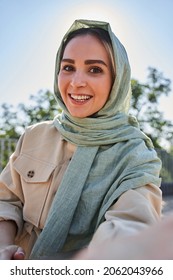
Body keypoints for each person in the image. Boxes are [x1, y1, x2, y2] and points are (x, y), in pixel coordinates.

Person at [0, 19, 162, 260]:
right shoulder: (34, 136)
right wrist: (4, 247)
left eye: (95, 69)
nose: (76, 82)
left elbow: (129, 227)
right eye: (67, 67)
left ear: (116, 80)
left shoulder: (136, 154)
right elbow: (7, 200)